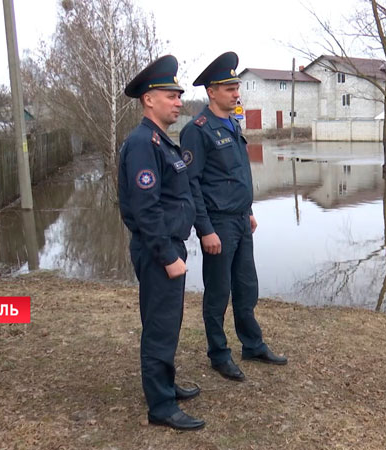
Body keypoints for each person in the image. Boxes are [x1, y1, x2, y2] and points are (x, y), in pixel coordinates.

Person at [180, 52, 287, 382]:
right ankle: (218, 353)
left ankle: (252, 344)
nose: (237, 93)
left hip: (240, 220)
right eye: (229, 88)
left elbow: (237, 174)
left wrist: (249, 211)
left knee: (246, 286)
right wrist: (206, 229)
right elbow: (191, 184)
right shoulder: (197, 130)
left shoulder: (232, 124)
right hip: (218, 224)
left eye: (237, 87)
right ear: (212, 92)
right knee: (218, 292)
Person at [118, 55, 204, 431]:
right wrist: (168, 255)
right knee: (160, 326)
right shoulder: (142, 144)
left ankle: (164, 385)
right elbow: (145, 209)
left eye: (179, 95)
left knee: (168, 322)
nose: (178, 101)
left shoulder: (160, 142)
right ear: (149, 99)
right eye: (171, 95)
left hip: (168, 246)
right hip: (159, 251)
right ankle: (161, 407)